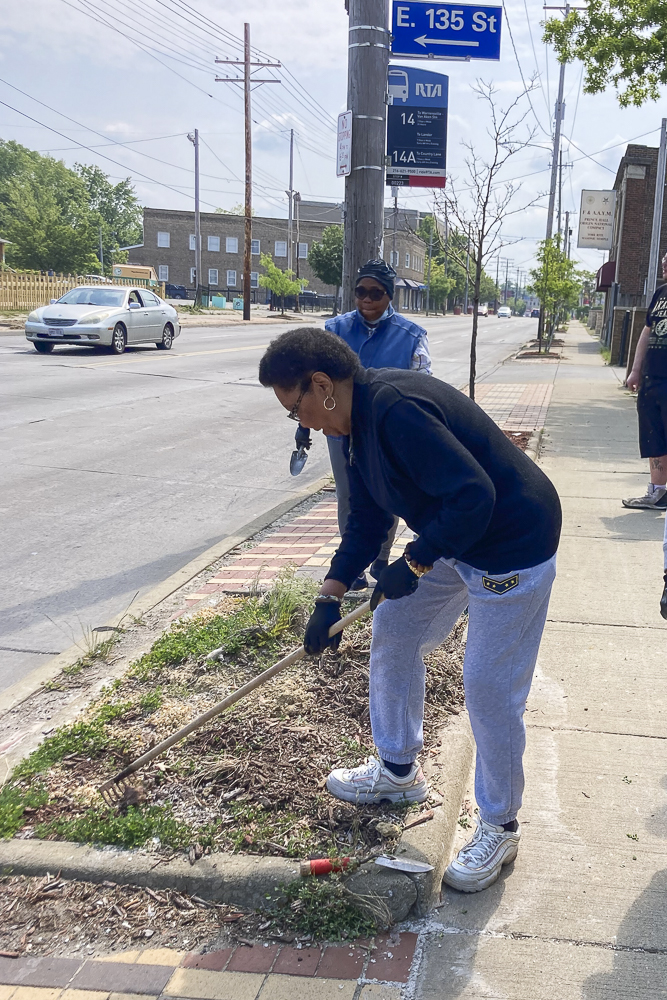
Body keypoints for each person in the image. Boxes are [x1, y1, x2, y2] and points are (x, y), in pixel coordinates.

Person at [259, 328, 562, 893]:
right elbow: (369, 521)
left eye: (295, 409)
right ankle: (398, 772)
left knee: (489, 687)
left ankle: (501, 824)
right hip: (457, 537)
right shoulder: (353, 431)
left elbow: (475, 495)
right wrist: (329, 597)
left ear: (322, 386)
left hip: (511, 543)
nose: (301, 424)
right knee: (394, 627)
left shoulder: (397, 411)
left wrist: (417, 561)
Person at [294, 259, 430, 590]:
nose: (367, 300)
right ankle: (352, 565)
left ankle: (381, 558)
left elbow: (422, 384)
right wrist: (304, 426)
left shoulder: (411, 336)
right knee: (350, 495)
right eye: (360, 292)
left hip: (387, 432)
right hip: (340, 430)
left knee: (387, 492)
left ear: (389, 295)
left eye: (375, 293)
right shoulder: (334, 331)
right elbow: (311, 383)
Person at [622, 251, 667, 619]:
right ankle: (658, 493)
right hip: (653, 380)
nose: (664, 264)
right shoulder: (659, 295)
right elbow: (646, 333)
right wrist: (635, 370)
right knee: (653, 438)